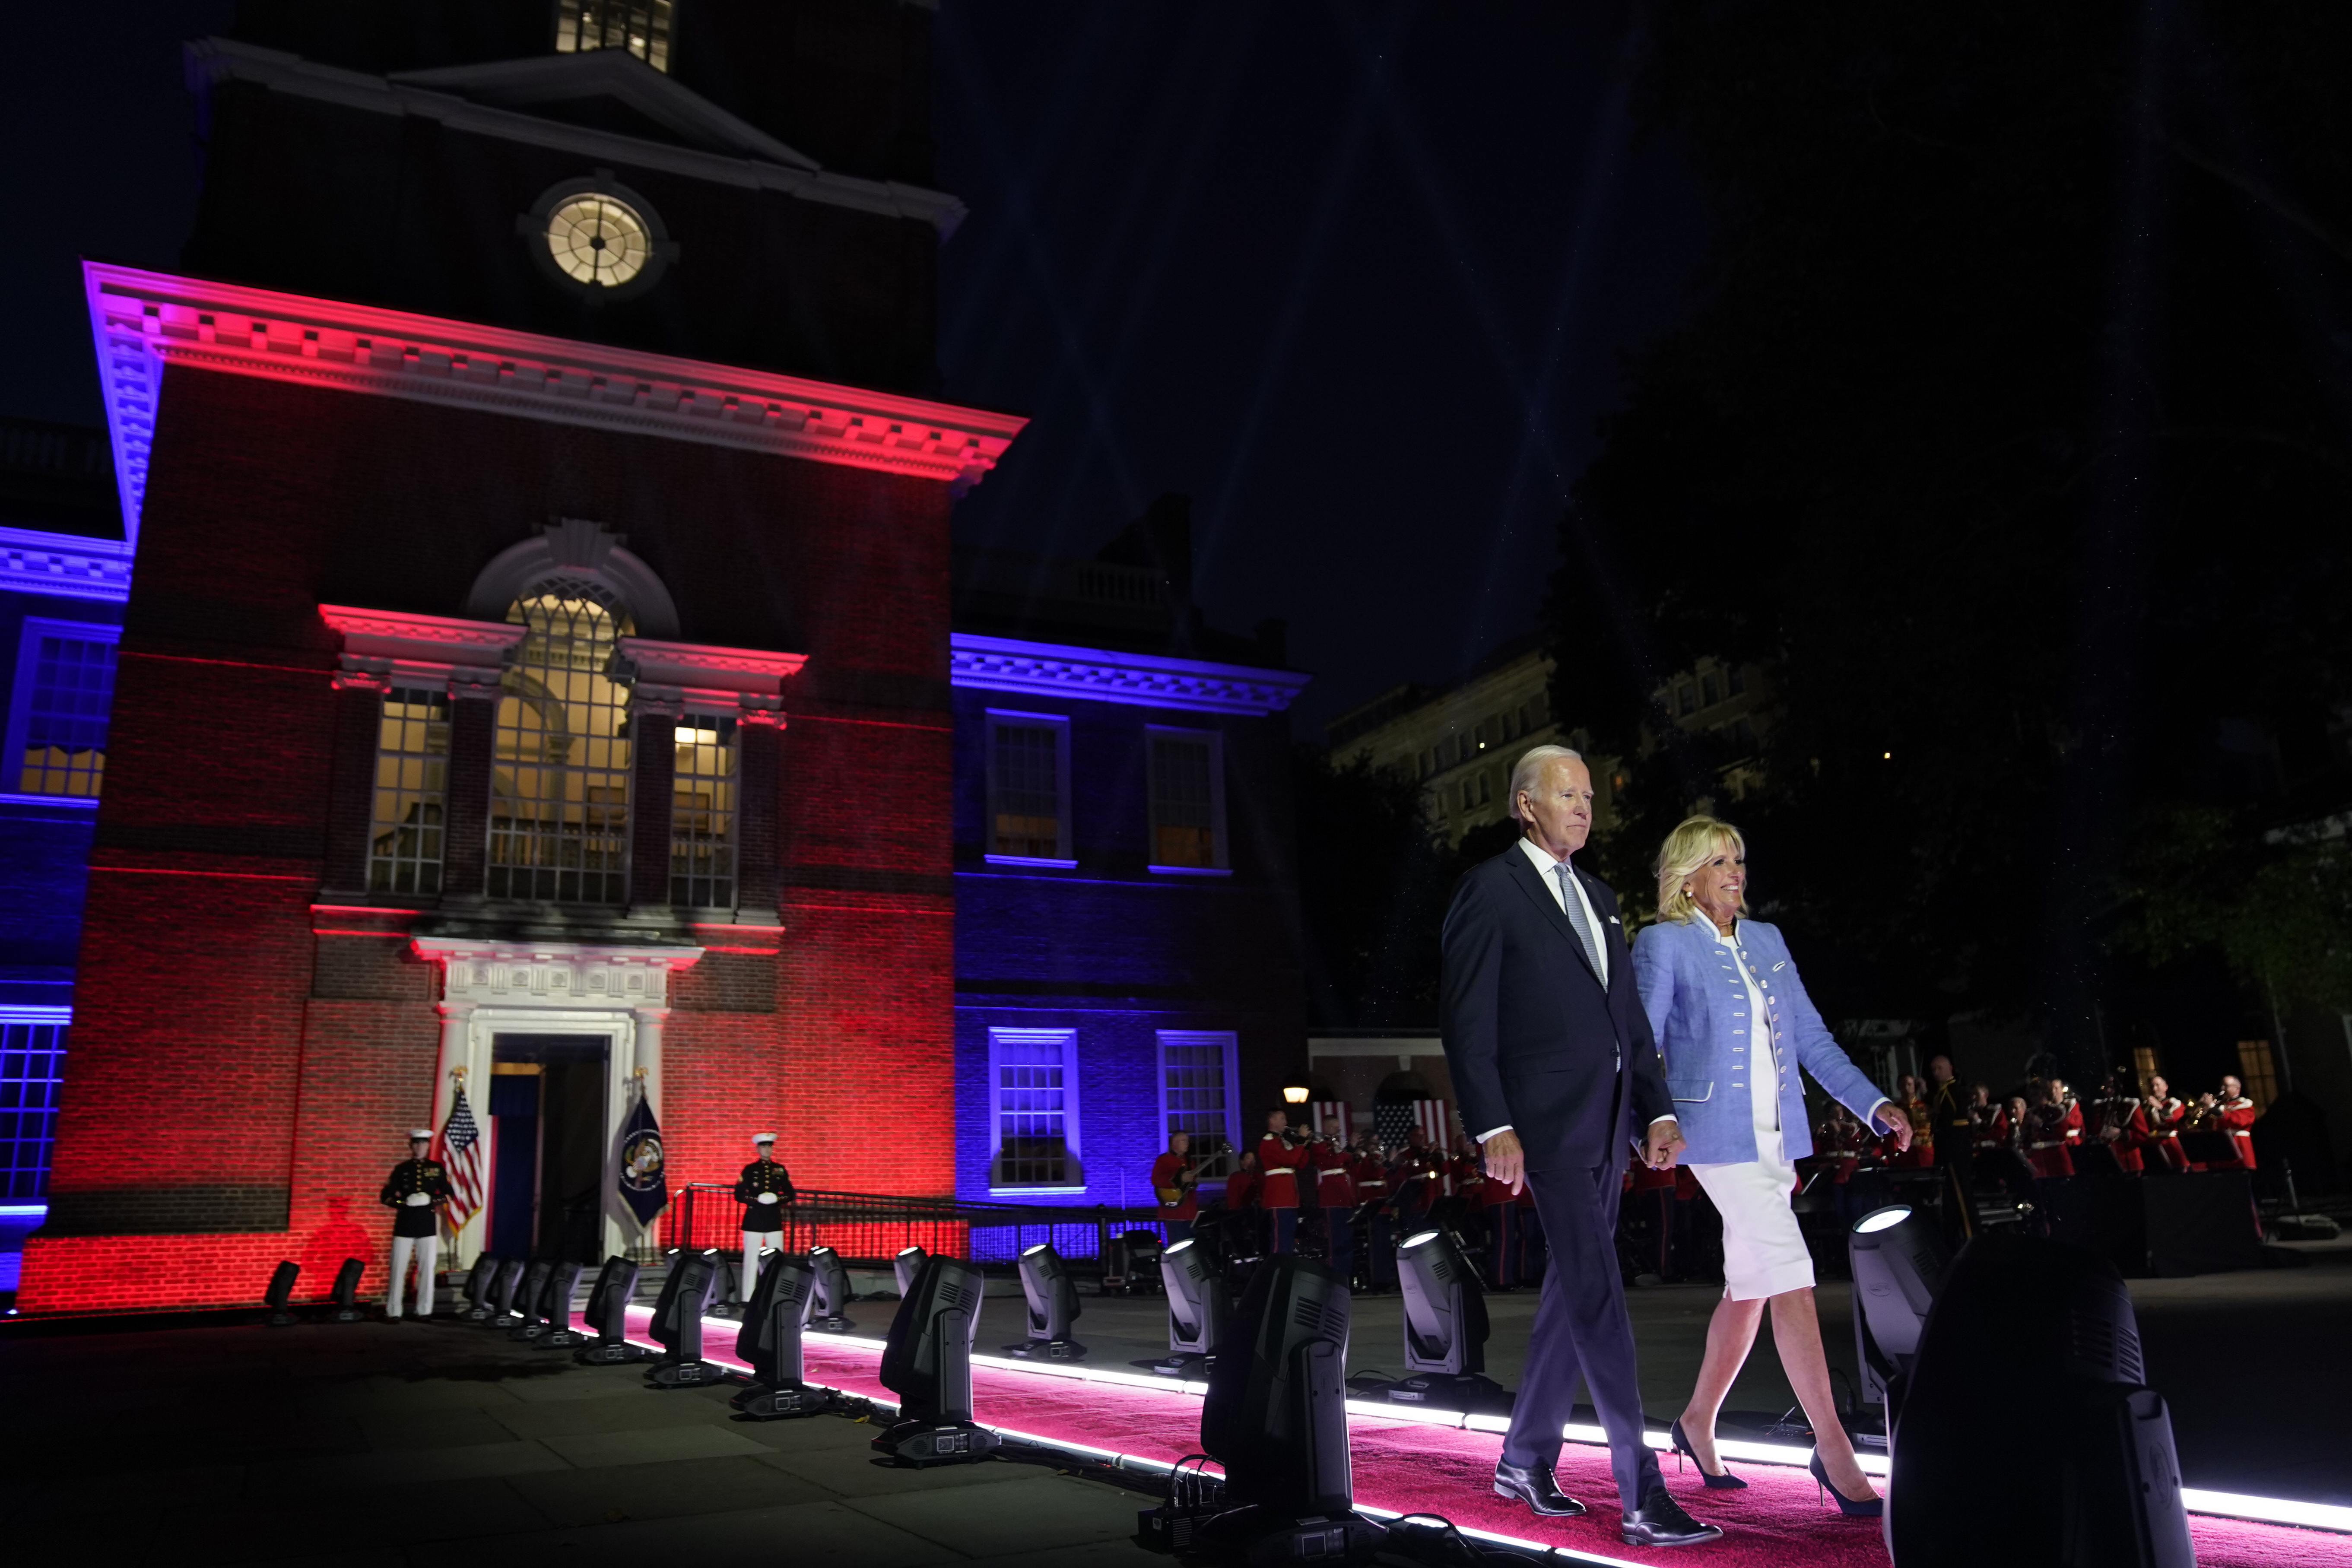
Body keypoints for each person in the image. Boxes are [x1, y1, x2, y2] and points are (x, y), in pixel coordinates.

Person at [1441, 743, 1718, 1547]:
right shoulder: (1489, 890)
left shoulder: (1598, 896)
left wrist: (1656, 1111)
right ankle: (1641, 1492)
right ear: (1526, 804)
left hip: (1608, 1124)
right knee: (1598, 1293)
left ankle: (1524, 1458)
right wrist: (1493, 1124)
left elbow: (1627, 1018)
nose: (1585, 809)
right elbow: (1467, 1019)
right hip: (1545, 1128)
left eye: (1590, 797)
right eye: (1569, 796)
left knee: (1573, 1293)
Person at [1631, 813, 1907, 1520]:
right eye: (1719, 861)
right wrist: (1650, 1121)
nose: (1736, 872)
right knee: (1791, 1273)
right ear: (1686, 878)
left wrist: (1872, 1102)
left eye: (1739, 859)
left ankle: (1697, 1421)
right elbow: (1641, 1046)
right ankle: (1832, 1446)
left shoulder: (1767, 940)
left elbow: (1812, 1037)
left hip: (1775, 1139)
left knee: (1750, 1285)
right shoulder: (1663, 944)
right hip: (1713, 1139)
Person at [378, 1128, 451, 1320]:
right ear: (411, 1146)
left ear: (428, 1146)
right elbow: (386, 1196)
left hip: (427, 1224)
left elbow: (448, 1193)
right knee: (398, 1268)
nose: (420, 1147)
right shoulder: (402, 1169)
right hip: (405, 1223)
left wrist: (431, 1200)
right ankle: (393, 1311)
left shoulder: (436, 1168)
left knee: (427, 1269)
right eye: (417, 1143)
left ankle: (424, 1311)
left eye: (423, 1143)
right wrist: (403, 1203)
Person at [734, 1133, 796, 1307]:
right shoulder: (750, 1170)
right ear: (758, 1149)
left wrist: (778, 1199)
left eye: (769, 1147)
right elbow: (739, 1194)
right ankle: (747, 1298)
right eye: (763, 1147)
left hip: (773, 1218)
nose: (767, 1150)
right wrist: (756, 1199)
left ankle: (774, 1296)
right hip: (754, 1218)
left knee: (776, 1259)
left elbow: (790, 1193)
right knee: (751, 1259)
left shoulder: (779, 1170)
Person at [1346, 1131, 1396, 1289]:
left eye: (1377, 1143)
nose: (1376, 1146)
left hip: (1383, 1207)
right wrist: (1386, 1162)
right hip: (1371, 1206)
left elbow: (1387, 1177)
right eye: (1373, 1143)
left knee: (1385, 1245)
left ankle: (1385, 1278)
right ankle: (1378, 1280)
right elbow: (1368, 1172)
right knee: (1376, 1245)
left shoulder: (1378, 1157)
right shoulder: (1362, 1157)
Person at [1256, 1109, 1306, 1254]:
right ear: (1272, 1121)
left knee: (1288, 1237)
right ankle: (1278, 1265)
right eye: (1282, 1119)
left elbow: (1300, 1163)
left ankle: (1286, 1264)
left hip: (1289, 1197)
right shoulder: (1269, 1141)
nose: (1286, 1122)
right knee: (1281, 1238)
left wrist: (1305, 1146)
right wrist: (1301, 1141)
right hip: (1279, 1197)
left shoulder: (1282, 1141)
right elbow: (1290, 1159)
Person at [1312, 1130, 1357, 1283]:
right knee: (1336, 1243)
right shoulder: (1319, 1146)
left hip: (1346, 1200)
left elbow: (1350, 1164)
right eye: (1335, 1129)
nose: (1338, 1133)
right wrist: (1349, 1149)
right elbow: (1333, 1162)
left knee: (1347, 1242)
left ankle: (1346, 1279)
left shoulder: (1335, 1146)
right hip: (1332, 1199)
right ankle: (1336, 1280)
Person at [2091, 1072, 2149, 1174]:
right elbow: (2096, 1130)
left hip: (2129, 1160)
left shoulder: (2130, 1105)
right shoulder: (2101, 1107)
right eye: (2106, 1087)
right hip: (2108, 1161)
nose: (2108, 1091)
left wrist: (2121, 1133)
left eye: (2112, 1087)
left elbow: (2143, 1134)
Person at [2199, 1075, 2258, 1169]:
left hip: (2239, 1148)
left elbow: (2236, 1121)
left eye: (2226, 1086)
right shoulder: (2218, 1104)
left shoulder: (2245, 1104)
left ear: (2237, 1089)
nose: (2222, 1089)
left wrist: (2212, 1107)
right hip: (2219, 1151)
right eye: (2222, 1085)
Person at [1151, 1130, 1199, 1245]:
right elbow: (1156, 1180)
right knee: (1178, 1246)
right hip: (1174, 1212)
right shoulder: (1164, 1160)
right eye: (1184, 1141)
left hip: (1190, 1211)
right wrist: (1179, 1179)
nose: (1187, 1143)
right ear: (1174, 1143)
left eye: (1188, 1141)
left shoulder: (1189, 1161)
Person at [2023, 1082, 2078, 1179]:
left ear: (2045, 1094)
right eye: (2031, 1095)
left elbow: (2060, 1135)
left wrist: (2041, 1124)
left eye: (2036, 1094)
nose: (2033, 1098)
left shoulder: (2057, 1111)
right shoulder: (2031, 1112)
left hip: (2056, 1156)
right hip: (2037, 1159)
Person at [2143, 1075, 2189, 1171]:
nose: (2154, 1089)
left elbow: (2175, 1124)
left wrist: (2160, 1108)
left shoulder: (2174, 1104)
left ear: (2166, 1087)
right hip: (2153, 1147)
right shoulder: (2146, 1106)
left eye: (2158, 1085)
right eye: (2152, 1086)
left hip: (2171, 1146)